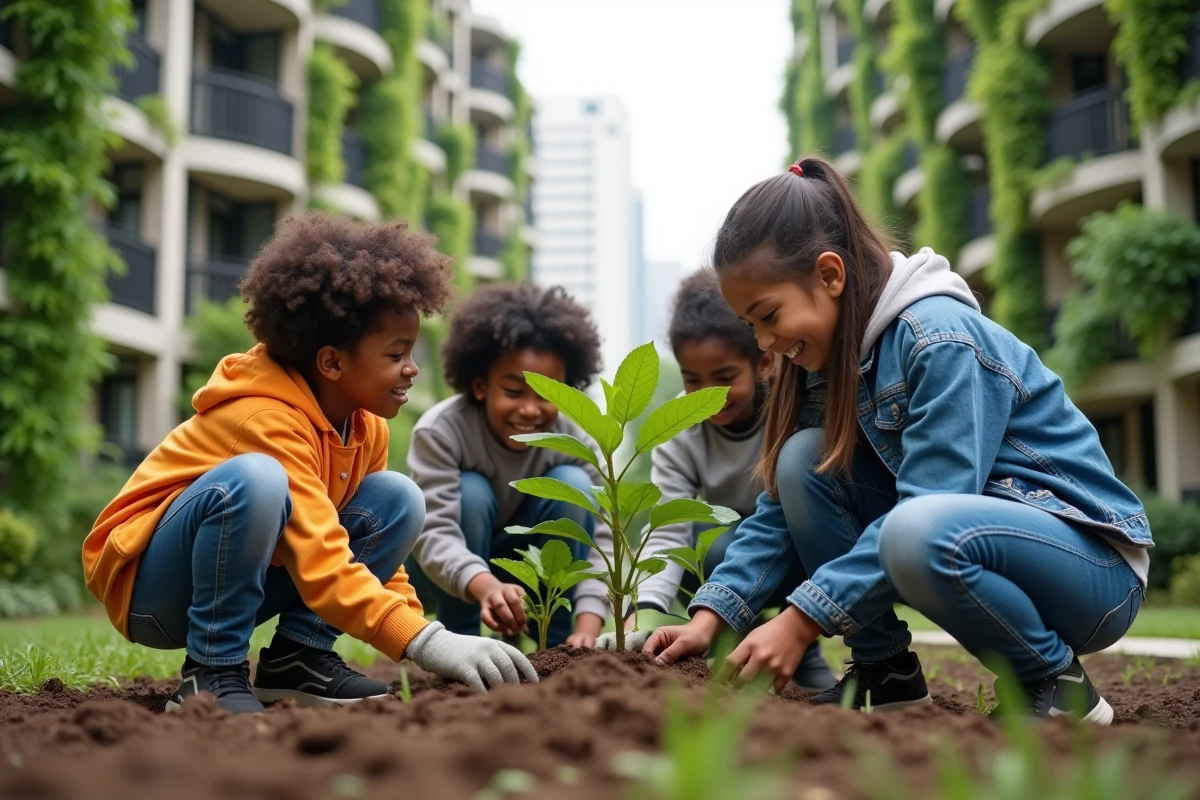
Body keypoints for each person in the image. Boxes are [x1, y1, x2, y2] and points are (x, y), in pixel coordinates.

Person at [644, 157, 1151, 724]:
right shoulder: (828, 361)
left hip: (1091, 575)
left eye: (768, 315)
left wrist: (802, 619)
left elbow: (933, 502)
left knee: (916, 527)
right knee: (800, 463)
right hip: (980, 545)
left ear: (830, 275)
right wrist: (712, 616)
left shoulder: (939, 340)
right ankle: (886, 672)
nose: (763, 341)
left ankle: (1058, 684)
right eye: (751, 325)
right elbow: (781, 513)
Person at [82, 213, 537, 715]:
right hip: (152, 591)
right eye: (396, 354)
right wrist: (427, 643)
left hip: (238, 575)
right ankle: (210, 672)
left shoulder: (365, 427)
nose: (412, 368)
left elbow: (365, 559)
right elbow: (321, 559)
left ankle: (298, 660)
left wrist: (425, 633)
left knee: (398, 496)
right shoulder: (262, 417)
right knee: (255, 479)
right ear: (332, 363)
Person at [595, 270, 835, 691]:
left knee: (732, 545)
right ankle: (728, 639)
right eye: (693, 380)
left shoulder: (794, 407)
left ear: (763, 361)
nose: (709, 395)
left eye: (725, 378)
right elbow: (668, 530)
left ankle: (798, 641)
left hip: (793, 541)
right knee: (706, 544)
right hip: (721, 549)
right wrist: (645, 609)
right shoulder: (679, 428)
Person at [407, 283, 615, 648]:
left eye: (548, 395)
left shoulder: (577, 441)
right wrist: (485, 585)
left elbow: (601, 539)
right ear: (480, 385)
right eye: (515, 392)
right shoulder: (442, 430)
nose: (530, 410)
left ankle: (557, 643)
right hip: (454, 572)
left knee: (575, 484)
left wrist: (588, 625)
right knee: (470, 491)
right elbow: (433, 531)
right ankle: (462, 644)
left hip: (535, 565)